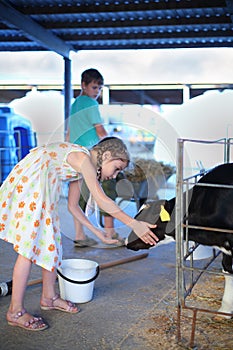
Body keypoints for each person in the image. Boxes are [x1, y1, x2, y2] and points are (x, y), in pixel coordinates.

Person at [0, 137, 158, 331]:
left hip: (43, 189)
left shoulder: (82, 166)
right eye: (116, 168)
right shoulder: (83, 160)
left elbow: (74, 207)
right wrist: (135, 224)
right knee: (28, 248)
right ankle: (15, 311)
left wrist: (98, 233)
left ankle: (49, 297)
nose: (116, 175)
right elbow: (101, 199)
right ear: (106, 155)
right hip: (31, 187)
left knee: (52, 241)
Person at [67, 68, 119, 247]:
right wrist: (115, 148)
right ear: (84, 85)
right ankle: (110, 232)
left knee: (77, 198)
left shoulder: (75, 104)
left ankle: (80, 235)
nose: (97, 92)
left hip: (72, 155)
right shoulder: (90, 104)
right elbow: (100, 131)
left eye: (99, 88)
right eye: (94, 87)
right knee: (107, 189)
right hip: (89, 155)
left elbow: (69, 132)